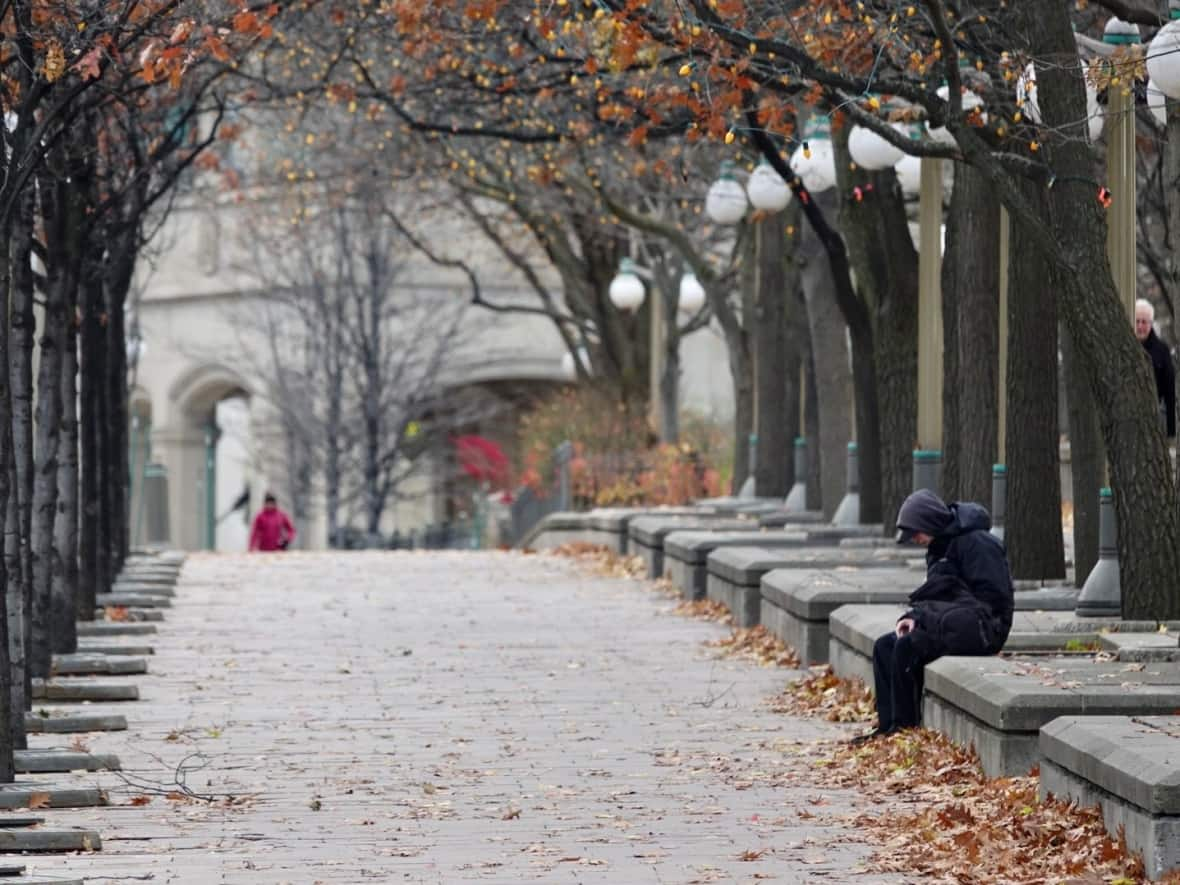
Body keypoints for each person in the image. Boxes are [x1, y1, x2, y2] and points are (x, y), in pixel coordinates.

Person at [851, 489, 1014, 743]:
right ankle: (888, 726)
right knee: (885, 645)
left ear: (930, 522)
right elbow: (935, 596)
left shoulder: (978, 543)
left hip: (983, 628)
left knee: (908, 647)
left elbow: (992, 600)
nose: (915, 539)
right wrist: (914, 617)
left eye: (916, 532)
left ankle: (904, 728)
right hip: (951, 623)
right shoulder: (938, 548)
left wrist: (928, 617)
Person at [1134, 298, 1176, 439]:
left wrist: (1171, 431)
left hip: (1154, 418)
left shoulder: (1162, 351)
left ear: (1151, 324)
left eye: (1144, 322)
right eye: (1137, 321)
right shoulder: (1124, 350)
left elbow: (1170, 392)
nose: (1140, 326)